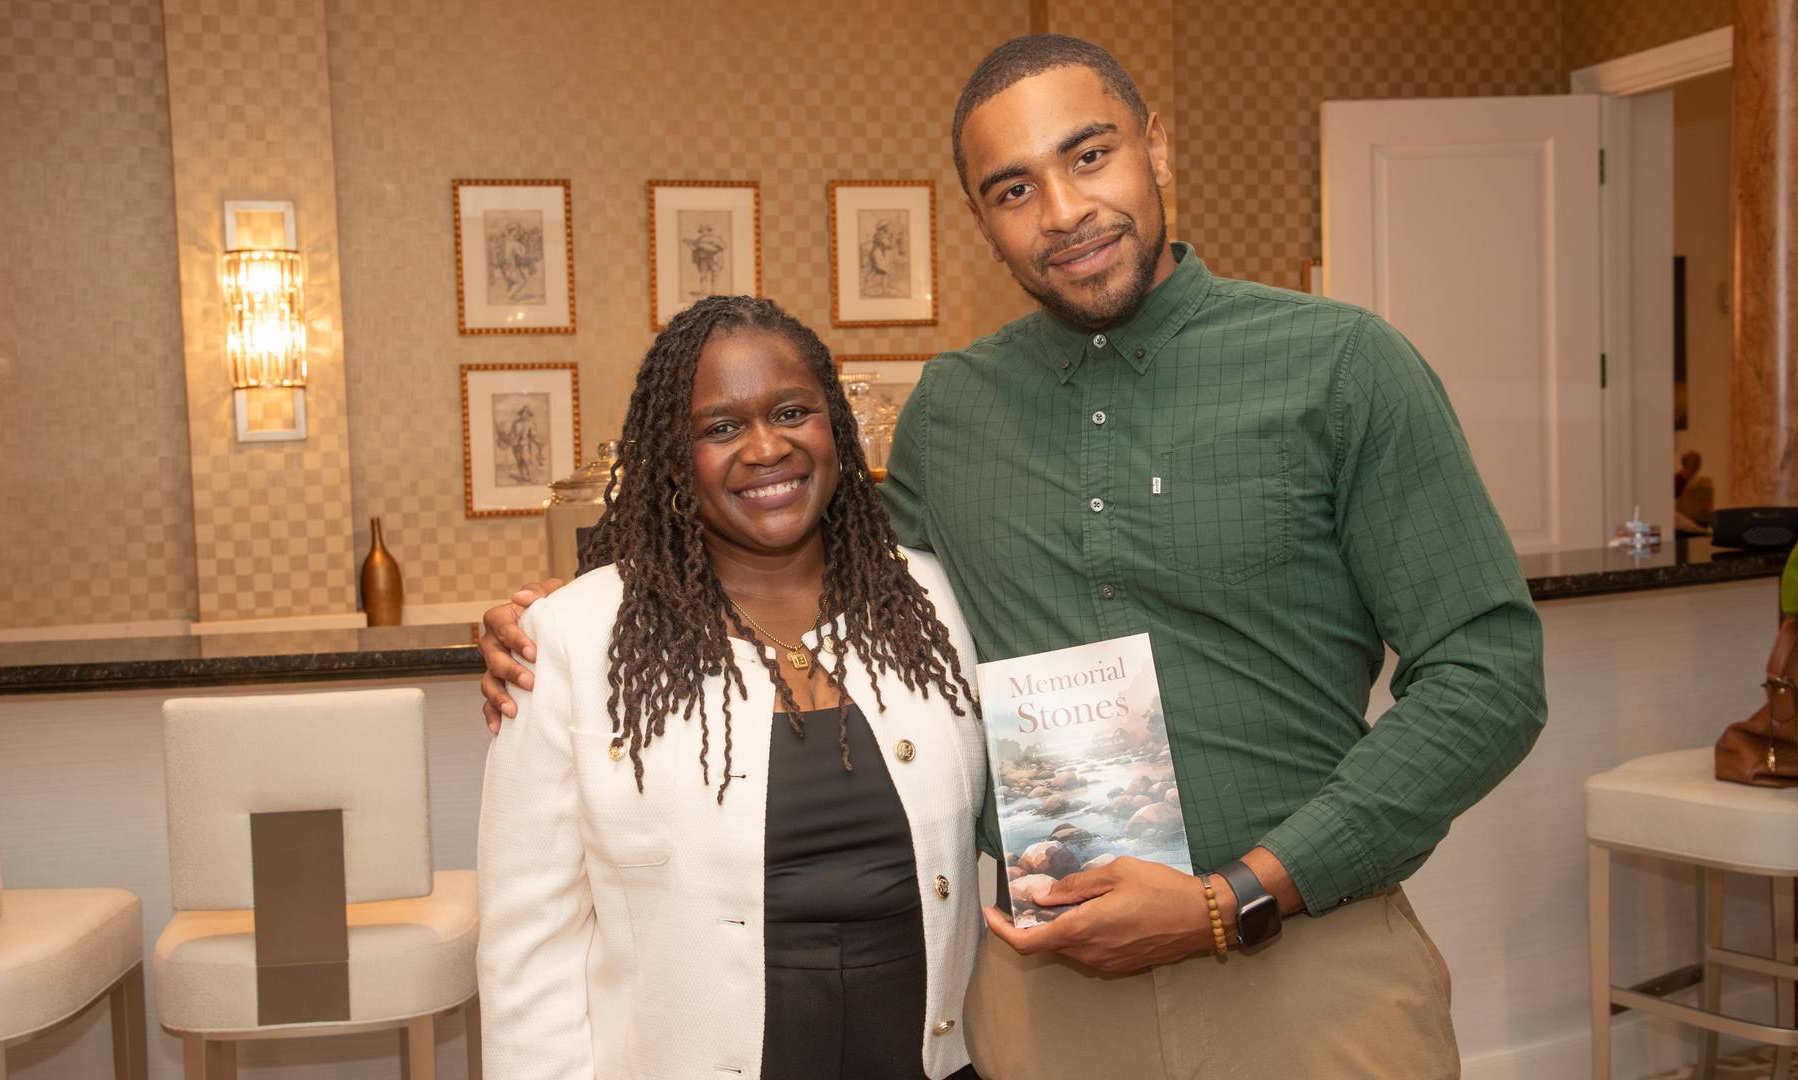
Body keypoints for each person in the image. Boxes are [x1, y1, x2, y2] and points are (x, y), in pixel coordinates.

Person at [481, 35, 1546, 1079]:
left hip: (1306, 968)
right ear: (982, 221)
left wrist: (1241, 895)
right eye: (1014, 189)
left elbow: (1487, 676)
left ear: (1156, 146)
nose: (1064, 211)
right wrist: (584, 621)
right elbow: (831, 581)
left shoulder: (1342, 368)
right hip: (1051, 994)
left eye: (1090, 155)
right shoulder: (954, 411)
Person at [476, 295, 987, 1080]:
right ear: (672, 459)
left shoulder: (934, 599)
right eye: (720, 428)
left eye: (791, 412)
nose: (766, 448)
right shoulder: (575, 639)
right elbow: (527, 948)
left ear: (836, 428)